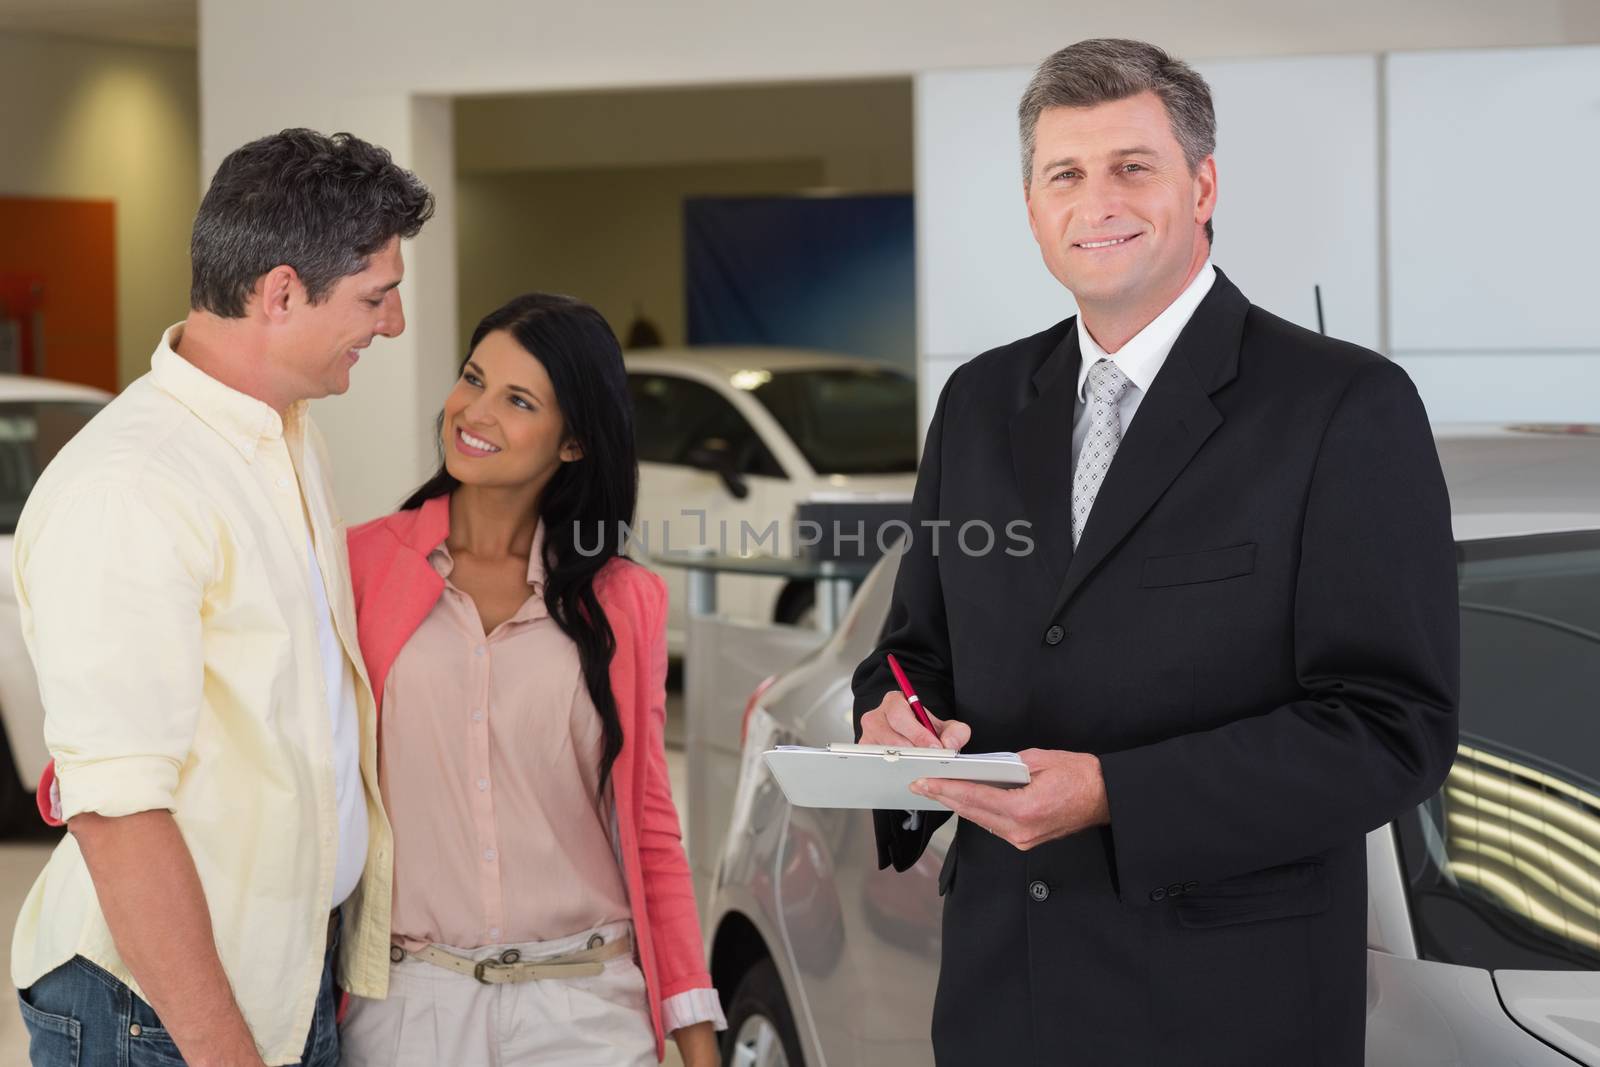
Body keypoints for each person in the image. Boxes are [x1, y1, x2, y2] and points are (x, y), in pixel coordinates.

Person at [853, 38, 1459, 1065]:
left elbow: (1389, 725)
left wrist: (1110, 795)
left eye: (1132, 165)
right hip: (1003, 1000)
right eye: (1065, 174)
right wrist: (894, 714)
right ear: (1033, 207)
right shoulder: (977, 406)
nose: (1098, 201)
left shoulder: (1341, 407)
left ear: (1202, 182)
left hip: (1224, 1013)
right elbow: (916, 646)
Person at [13, 129, 432, 1066]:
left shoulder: (288, 437)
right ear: (280, 292)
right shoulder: (134, 486)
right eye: (377, 295)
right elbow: (116, 813)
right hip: (163, 1017)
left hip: (281, 979)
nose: (394, 324)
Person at [339, 293, 723, 1067]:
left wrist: (696, 1041)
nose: (474, 412)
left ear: (574, 441)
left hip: (585, 1009)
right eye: (473, 379)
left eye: (518, 400)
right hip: (411, 1008)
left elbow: (649, 829)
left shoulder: (623, 601)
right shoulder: (357, 567)